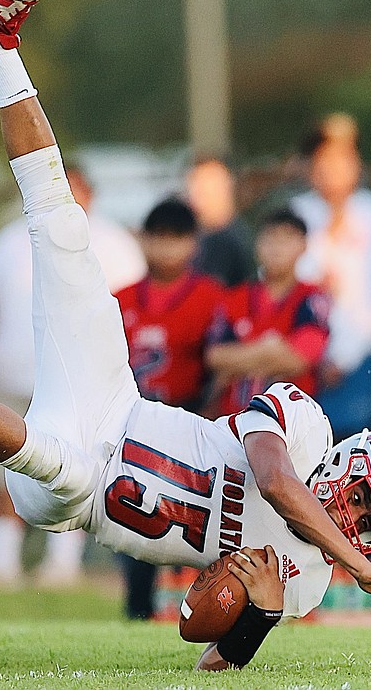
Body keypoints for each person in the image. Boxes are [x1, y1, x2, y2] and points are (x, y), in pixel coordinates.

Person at [0, 0, 371, 670]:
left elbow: (208, 652)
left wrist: (254, 616)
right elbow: (275, 481)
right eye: (361, 500)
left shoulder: (308, 581)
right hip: (114, 403)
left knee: (68, 473)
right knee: (63, 229)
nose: (353, 519)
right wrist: (358, 562)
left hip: (75, 501)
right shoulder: (305, 426)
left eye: (368, 525)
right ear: (348, 462)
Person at [0, 163, 144, 587]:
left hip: (76, 382)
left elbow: (134, 311)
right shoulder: (11, 239)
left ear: (90, 196)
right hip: (10, 376)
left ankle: (62, 562)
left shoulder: (114, 244)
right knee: (3, 465)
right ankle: (1, 560)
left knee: (70, 468)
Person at [115, 197, 225, 620]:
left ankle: (205, 612)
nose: (166, 248)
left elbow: (219, 364)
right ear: (144, 240)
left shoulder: (211, 297)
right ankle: (138, 609)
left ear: (193, 243)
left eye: (176, 238)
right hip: (133, 424)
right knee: (133, 515)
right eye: (158, 238)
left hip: (190, 422)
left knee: (194, 523)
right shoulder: (122, 298)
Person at [290, 127, 371, 439]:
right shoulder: (297, 213)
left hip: (359, 358)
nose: (332, 169)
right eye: (324, 159)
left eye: (342, 159)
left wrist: (343, 356)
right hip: (301, 357)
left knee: (353, 442)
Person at [206, 208, 330, 416]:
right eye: (270, 238)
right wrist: (269, 349)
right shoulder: (236, 297)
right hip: (233, 417)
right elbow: (215, 357)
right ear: (257, 245)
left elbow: (299, 359)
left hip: (291, 420)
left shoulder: (312, 297)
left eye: (286, 239)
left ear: (304, 246)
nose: (277, 248)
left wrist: (237, 363)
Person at [186, 157, 255, 288]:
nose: (199, 190)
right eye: (195, 181)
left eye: (208, 182)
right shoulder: (190, 235)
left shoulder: (239, 238)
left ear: (228, 183)